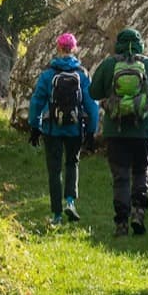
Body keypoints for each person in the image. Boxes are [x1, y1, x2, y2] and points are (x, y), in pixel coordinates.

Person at [89, 27, 148, 236]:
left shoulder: (109, 65)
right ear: (140, 43)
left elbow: (93, 92)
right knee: (141, 172)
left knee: (121, 176)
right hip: (143, 130)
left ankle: (121, 222)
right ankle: (139, 213)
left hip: (115, 131)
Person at [28, 32, 99, 226]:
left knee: (54, 170)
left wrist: (35, 126)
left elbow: (36, 102)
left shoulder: (48, 74)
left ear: (58, 48)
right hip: (75, 129)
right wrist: (91, 131)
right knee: (72, 164)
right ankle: (70, 202)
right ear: (74, 49)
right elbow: (92, 105)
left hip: (52, 129)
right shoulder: (81, 74)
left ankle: (57, 215)